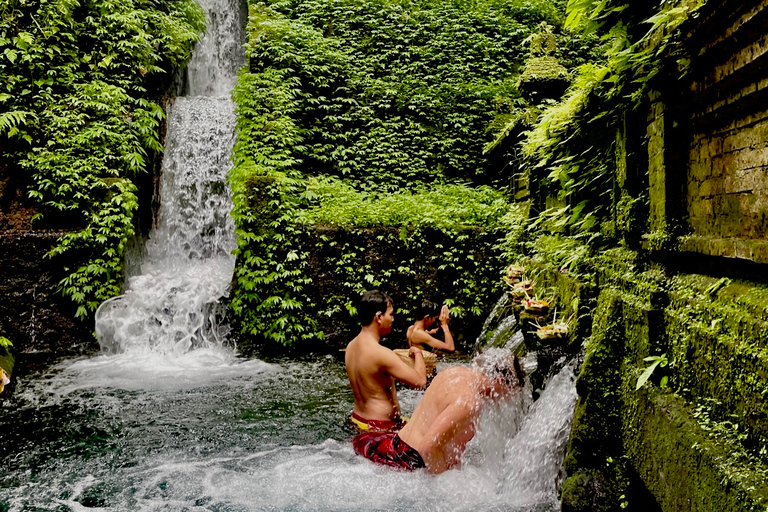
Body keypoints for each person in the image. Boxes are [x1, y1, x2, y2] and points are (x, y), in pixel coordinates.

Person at [352, 348, 525, 473]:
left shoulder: (456, 371)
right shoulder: (469, 402)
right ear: (499, 380)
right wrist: (446, 483)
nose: (507, 399)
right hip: (411, 462)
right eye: (511, 392)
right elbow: (428, 448)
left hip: (399, 445)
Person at [345, 290, 428, 431]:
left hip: (358, 421)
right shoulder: (381, 353)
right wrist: (418, 352)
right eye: (391, 314)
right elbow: (420, 382)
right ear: (378, 317)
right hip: (380, 428)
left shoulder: (351, 346)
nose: (393, 319)